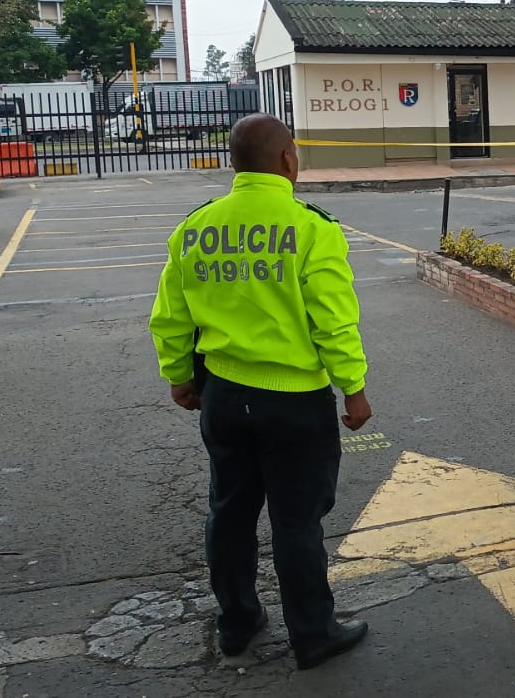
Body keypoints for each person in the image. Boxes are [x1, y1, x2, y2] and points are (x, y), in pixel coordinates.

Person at [149, 114, 373, 671]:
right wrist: (354, 388)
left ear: (233, 162)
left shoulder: (196, 227)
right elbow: (334, 322)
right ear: (288, 161)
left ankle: (238, 622)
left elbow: (170, 316)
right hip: (295, 402)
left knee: (229, 511)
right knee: (296, 522)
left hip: (223, 397)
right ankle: (313, 634)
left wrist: (179, 375)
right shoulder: (312, 228)